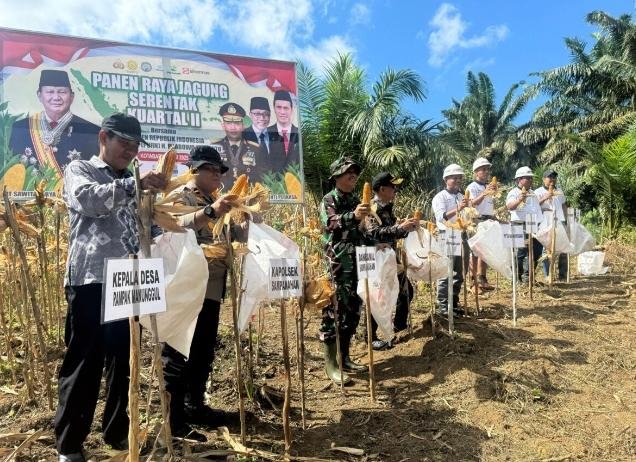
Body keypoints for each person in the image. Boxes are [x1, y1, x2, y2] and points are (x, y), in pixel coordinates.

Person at [55, 113, 167, 462]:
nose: (130, 151)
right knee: (85, 363)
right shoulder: (81, 170)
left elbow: (151, 227)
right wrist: (135, 185)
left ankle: (118, 433)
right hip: (92, 279)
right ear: (104, 138)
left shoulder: (134, 182)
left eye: (135, 146)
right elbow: (88, 200)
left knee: (125, 361)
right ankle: (69, 446)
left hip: (130, 280)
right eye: (124, 143)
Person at [161, 145, 247, 441]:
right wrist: (211, 211)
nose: (217, 175)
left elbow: (231, 235)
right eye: (210, 169)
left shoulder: (216, 199)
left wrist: (246, 221)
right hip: (186, 287)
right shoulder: (180, 195)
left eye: (219, 170)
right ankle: (173, 421)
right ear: (194, 170)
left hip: (211, 287)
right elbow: (173, 225)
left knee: (202, 350)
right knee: (178, 352)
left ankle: (194, 406)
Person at [319, 157, 369, 385]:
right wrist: (353, 216)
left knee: (352, 311)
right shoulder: (329, 199)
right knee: (334, 311)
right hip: (338, 264)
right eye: (348, 171)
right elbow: (330, 223)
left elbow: (364, 230)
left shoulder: (356, 200)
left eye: (355, 172)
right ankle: (331, 364)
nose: (353, 175)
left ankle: (345, 358)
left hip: (357, 263)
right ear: (336, 176)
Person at [9, 69, 101, 189]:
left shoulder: (92, 131)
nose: (56, 97)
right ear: (39, 95)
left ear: (72, 97)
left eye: (62, 92)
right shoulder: (21, 128)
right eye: (50, 92)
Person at [365, 172, 418, 350]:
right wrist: (399, 227)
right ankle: (370, 337)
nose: (395, 190)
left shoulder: (387, 207)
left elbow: (393, 232)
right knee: (376, 296)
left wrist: (407, 228)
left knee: (406, 291)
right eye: (392, 187)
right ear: (382, 189)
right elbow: (373, 233)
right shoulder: (371, 208)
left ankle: (399, 327)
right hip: (376, 258)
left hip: (390, 257)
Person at [432, 163, 470, 317]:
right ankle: (443, 305)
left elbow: (467, 215)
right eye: (454, 177)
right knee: (446, 271)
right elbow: (441, 217)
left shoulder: (461, 196)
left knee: (459, 272)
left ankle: (453, 303)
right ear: (446, 180)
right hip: (446, 234)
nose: (458, 180)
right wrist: (458, 208)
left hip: (460, 235)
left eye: (459, 177)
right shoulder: (440, 197)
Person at [506, 166, 543, 283]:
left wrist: (540, 224)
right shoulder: (513, 192)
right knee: (520, 252)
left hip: (533, 224)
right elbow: (509, 206)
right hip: (518, 224)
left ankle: (529, 277)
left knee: (535, 250)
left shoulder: (532, 193)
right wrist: (519, 200)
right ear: (519, 179)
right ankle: (517, 278)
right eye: (528, 178)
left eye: (531, 178)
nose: (531, 180)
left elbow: (537, 210)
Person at [466, 157, 497, 291]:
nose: (486, 172)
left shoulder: (488, 186)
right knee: (475, 251)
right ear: (476, 172)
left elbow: (489, 205)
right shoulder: (472, 187)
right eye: (483, 169)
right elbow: (471, 204)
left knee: (485, 252)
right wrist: (485, 193)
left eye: (487, 169)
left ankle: (482, 279)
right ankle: (473, 282)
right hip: (476, 221)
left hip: (488, 220)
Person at [210, 102, 260, 185]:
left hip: (247, 192)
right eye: (228, 123)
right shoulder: (214, 148)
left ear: (243, 126)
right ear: (223, 125)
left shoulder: (255, 148)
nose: (233, 127)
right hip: (221, 192)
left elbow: (261, 177)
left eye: (237, 123)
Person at [535, 169, 568, 280]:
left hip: (559, 220)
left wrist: (566, 220)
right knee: (547, 249)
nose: (552, 180)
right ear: (544, 179)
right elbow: (534, 206)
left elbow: (563, 205)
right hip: (545, 221)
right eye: (550, 177)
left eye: (554, 177)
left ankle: (562, 275)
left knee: (562, 247)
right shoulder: (538, 192)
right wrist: (545, 197)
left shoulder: (559, 190)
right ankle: (548, 275)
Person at [266, 90, 300, 173]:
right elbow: (262, 163)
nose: (282, 112)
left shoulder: (299, 133)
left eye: (286, 108)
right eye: (279, 107)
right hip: (273, 180)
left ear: (291, 109)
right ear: (274, 108)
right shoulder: (266, 133)